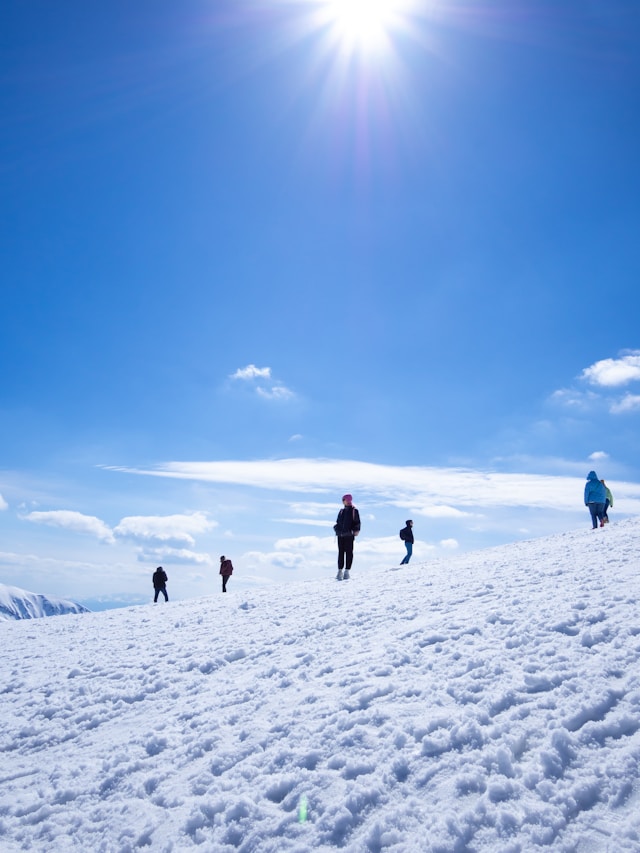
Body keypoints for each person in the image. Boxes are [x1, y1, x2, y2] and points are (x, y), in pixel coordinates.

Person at [333, 494, 360, 580]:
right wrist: (336, 528)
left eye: (343, 499)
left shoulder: (354, 511)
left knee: (349, 553)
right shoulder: (341, 511)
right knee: (340, 553)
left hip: (349, 535)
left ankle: (347, 571)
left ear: (346, 500)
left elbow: (357, 523)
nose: (343, 501)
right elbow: (337, 522)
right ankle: (340, 571)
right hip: (340, 535)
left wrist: (353, 531)